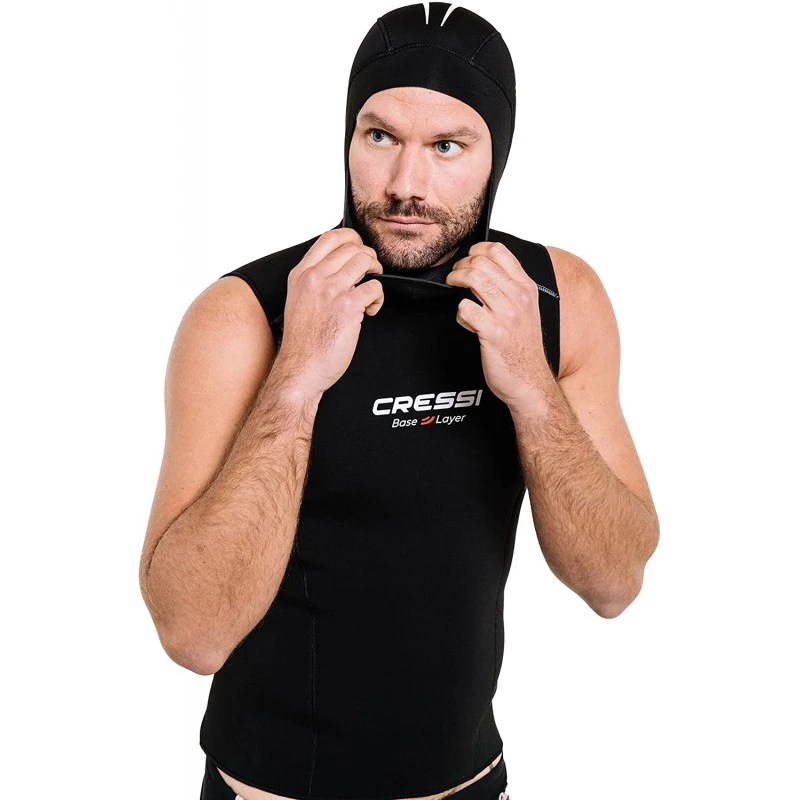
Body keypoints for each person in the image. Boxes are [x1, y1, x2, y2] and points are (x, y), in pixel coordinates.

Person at [138, 3, 660, 799]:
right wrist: (296, 380)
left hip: (470, 784)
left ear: (497, 154)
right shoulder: (244, 317)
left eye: (448, 146)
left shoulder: (556, 300)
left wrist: (532, 389)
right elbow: (193, 635)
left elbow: (615, 583)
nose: (405, 186)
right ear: (348, 137)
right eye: (380, 137)